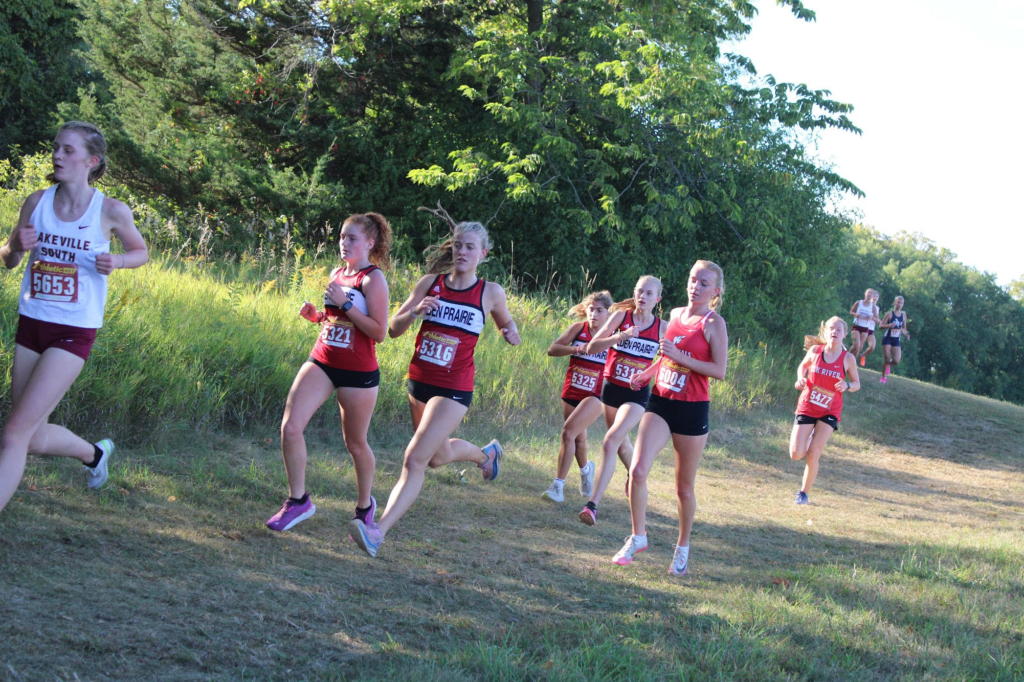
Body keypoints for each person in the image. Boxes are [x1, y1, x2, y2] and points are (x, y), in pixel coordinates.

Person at [0, 121, 149, 514]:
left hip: (73, 330)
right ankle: (94, 455)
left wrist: (116, 260)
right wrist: (14, 244)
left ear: (91, 161)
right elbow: (9, 259)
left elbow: (141, 252)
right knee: (28, 438)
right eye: (56, 148)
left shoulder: (111, 210)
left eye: (68, 150)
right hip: (31, 323)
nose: (57, 155)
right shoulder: (37, 202)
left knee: (13, 435)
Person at [349, 220, 520, 557]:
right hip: (419, 382)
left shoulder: (490, 292)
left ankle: (376, 532)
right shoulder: (430, 283)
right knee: (436, 457)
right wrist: (415, 311)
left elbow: (505, 320)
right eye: (457, 245)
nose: (462, 252)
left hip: (454, 388)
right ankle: (487, 455)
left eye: (470, 247)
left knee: (414, 459)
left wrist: (510, 332)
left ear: (483, 253)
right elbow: (392, 329)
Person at [266, 214, 392, 531]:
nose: (344, 243)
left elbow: (379, 332)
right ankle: (298, 500)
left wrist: (345, 305)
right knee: (290, 427)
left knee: (355, 444)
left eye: (352, 238)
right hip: (323, 360)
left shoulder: (372, 279)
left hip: (358, 372)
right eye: (341, 237)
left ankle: (365, 506)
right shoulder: (337, 273)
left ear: (369, 243)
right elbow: (335, 319)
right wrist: (317, 316)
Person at [611, 261, 728, 576]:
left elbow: (719, 370)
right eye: (692, 279)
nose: (695, 286)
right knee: (636, 471)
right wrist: (645, 374)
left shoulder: (713, 323)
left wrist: (682, 358)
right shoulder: (675, 315)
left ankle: (683, 547)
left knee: (683, 489)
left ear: (715, 292)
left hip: (691, 409)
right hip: (661, 400)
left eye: (704, 283)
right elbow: (665, 356)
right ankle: (638, 537)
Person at [577, 276, 666, 527]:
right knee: (621, 444)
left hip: (637, 395)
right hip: (611, 390)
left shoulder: (662, 327)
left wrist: (648, 373)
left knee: (611, 440)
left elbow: (670, 359)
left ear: (657, 299)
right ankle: (635, 477)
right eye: (639, 291)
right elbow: (592, 347)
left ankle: (592, 505)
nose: (643, 297)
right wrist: (620, 337)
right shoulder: (619, 318)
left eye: (649, 293)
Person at [540, 291, 627, 503]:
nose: (594, 314)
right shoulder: (578, 328)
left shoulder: (614, 335)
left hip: (597, 394)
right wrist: (577, 349)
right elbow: (553, 349)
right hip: (573, 389)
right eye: (591, 309)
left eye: (599, 310)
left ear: (608, 313)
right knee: (578, 439)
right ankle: (586, 470)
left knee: (568, 433)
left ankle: (557, 487)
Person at [790, 316, 861, 505]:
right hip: (808, 405)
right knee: (796, 454)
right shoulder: (815, 351)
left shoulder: (848, 359)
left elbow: (856, 384)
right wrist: (800, 379)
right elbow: (802, 367)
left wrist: (847, 385)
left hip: (830, 410)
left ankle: (803, 493)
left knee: (813, 453)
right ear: (825, 331)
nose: (834, 332)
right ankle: (810, 435)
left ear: (845, 334)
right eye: (831, 328)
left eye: (839, 329)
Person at [878, 296, 909, 383]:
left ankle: (889, 365)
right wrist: (889, 325)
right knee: (887, 358)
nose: (900, 304)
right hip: (887, 338)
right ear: (895, 303)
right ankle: (883, 377)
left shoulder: (904, 315)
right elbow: (880, 326)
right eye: (898, 302)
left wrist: (906, 334)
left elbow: (903, 328)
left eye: (902, 303)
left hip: (896, 339)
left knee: (896, 360)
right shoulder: (889, 314)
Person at [849, 289, 880, 367]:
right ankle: (846, 355)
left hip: (865, 328)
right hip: (856, 325)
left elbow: (877, 319)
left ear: (872, 296)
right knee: (856, 345)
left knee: (859, 348)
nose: (870, 294)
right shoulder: (859, 302)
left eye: (871, 293)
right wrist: (856, 315)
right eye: (868, 292)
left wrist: (872, 317)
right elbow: (851, 312)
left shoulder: (873, 307)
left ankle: (852, 364)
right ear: (865, 294)